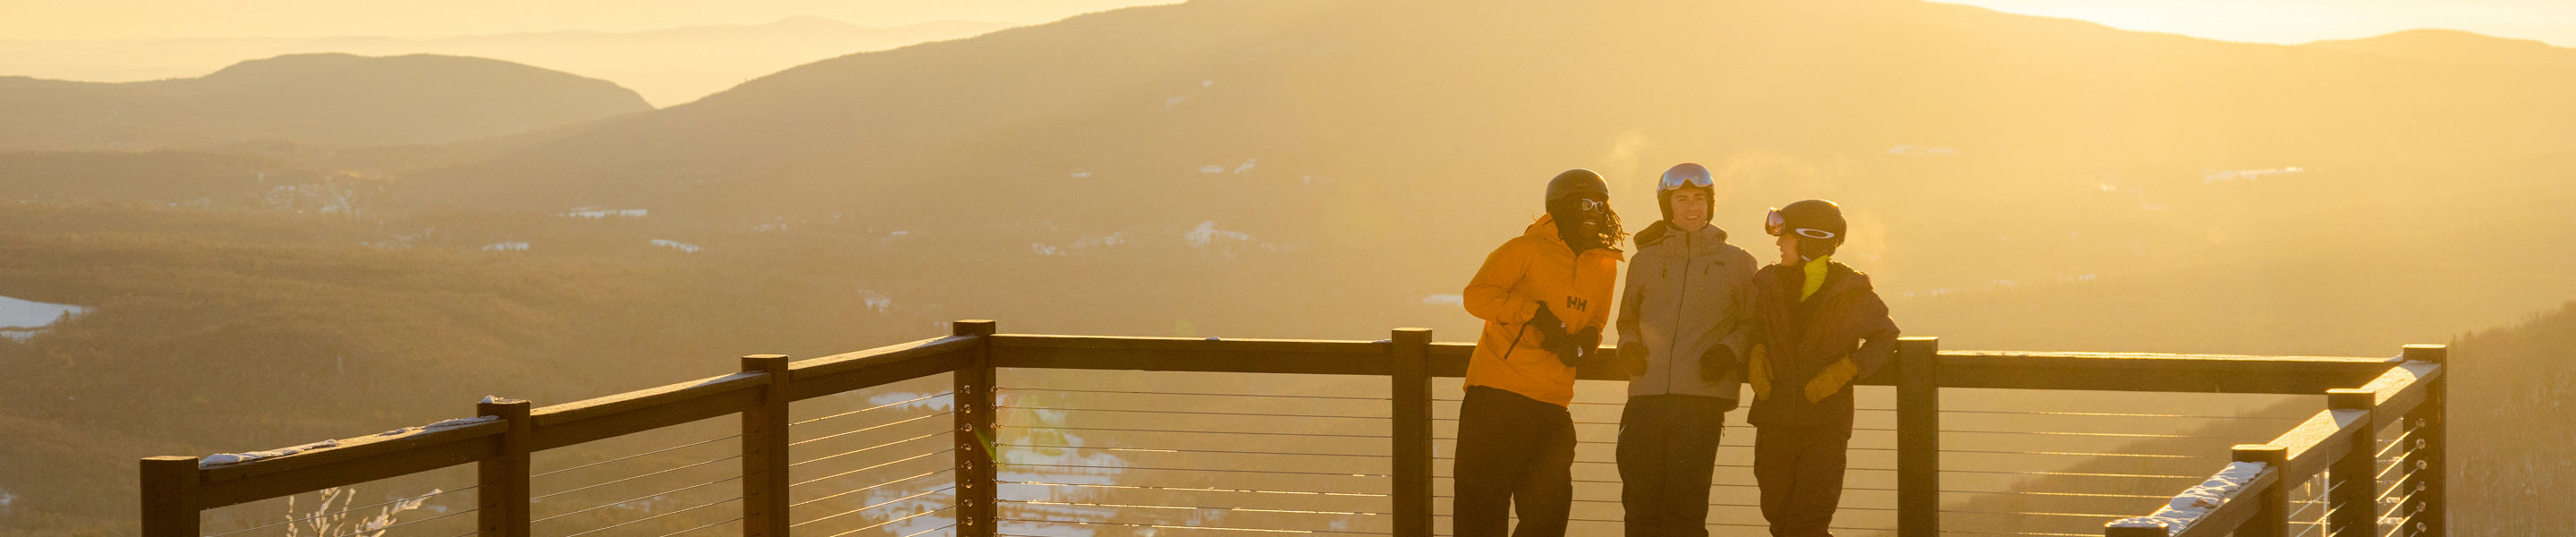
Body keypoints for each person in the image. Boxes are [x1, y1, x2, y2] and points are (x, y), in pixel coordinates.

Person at [1456, 168, 1627, 537]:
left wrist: (1583, 345)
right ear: (1561, 206)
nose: (1594, 212)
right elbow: (1476, 295)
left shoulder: (1605, 264)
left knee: (1547, 516)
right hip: (1496, 395)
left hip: (1552, 404)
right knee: (1481, 513)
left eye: (1601, 205)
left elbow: (1596, 323)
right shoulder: (1525, 248)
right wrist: (1532, 313)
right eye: (1585, 203)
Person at [1613, 163, 1759, 537]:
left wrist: (1729, 351)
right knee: (1640, 504)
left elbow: (1752, 324)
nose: (1692, 207)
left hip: (1701, 399)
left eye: (1699, 199)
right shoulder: (1645, 261)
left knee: (1686, 507)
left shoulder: (1739, 263)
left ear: (1711, 204)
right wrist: (1628, 346)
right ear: (1668, 206)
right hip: (1646, 396)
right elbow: (1627, 319)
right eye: (1682, 199)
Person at [1745, 199, 1901, 537]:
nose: (1778, 243)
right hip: (1774, 417)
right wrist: (1756, 353)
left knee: (1809, 522)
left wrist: (1848, 370)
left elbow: (1885, 337)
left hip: (1825, 422)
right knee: (1778, 516)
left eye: (1784, 236)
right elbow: (1751, 327)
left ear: (1809, 240)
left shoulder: (1850, 290)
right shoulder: (1767, 283)